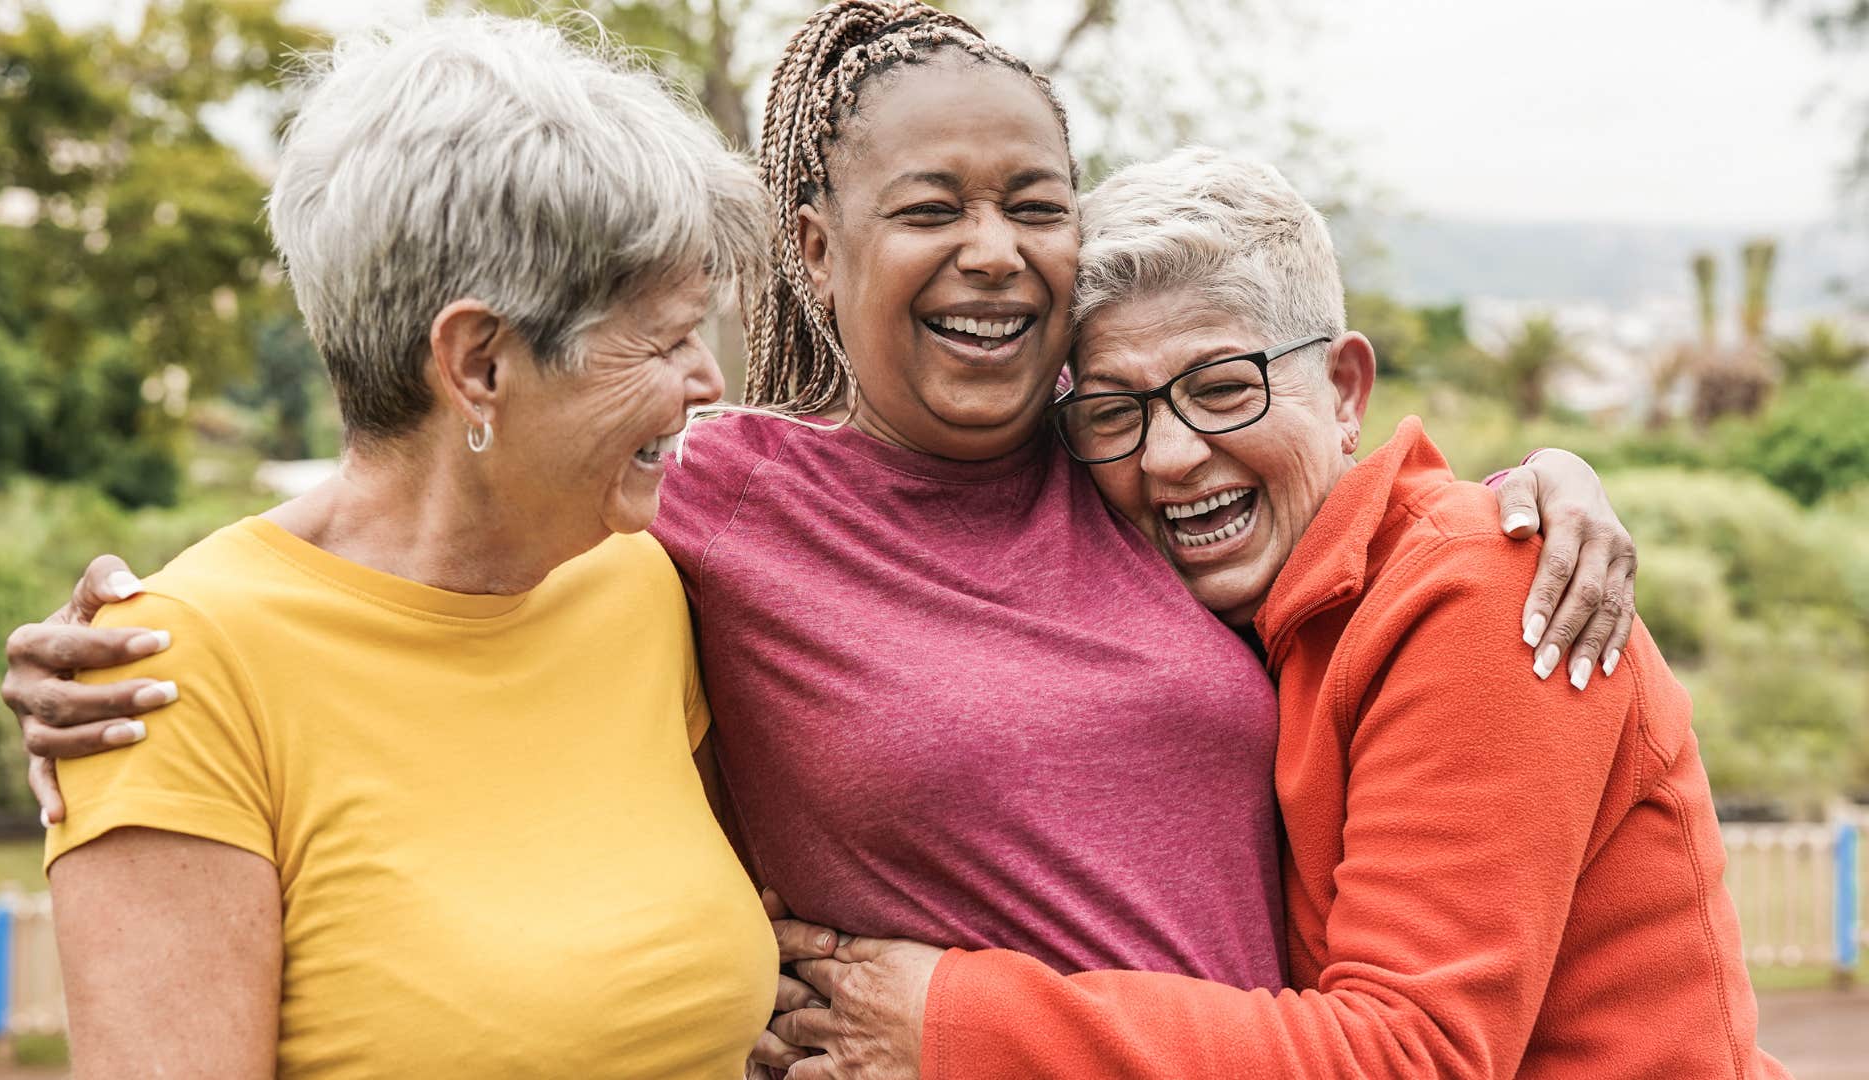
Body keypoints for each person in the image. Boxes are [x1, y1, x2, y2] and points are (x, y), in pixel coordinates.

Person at [3, 4, 1640, 1073]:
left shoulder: (1131, 464)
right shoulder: (696, 510)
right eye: (931, 208)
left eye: (1036, 203)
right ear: (813, 242)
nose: (994, 254)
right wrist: (142, 640)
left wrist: (1542, 487)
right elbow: (411, 530)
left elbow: (1324, 488)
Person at [763, 150, 1789, 1080]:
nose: (1169, 456)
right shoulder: (1229, 602)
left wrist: (949, 1021)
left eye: (1222, 388)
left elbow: (1408, 1055)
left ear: (1346, 389)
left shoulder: (1482, 592)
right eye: (1117, 410)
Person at [29, 17, 779, 1078]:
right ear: (477, 363)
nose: (708, 382)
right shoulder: (167, 673)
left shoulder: (639, 576)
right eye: (663, 341)